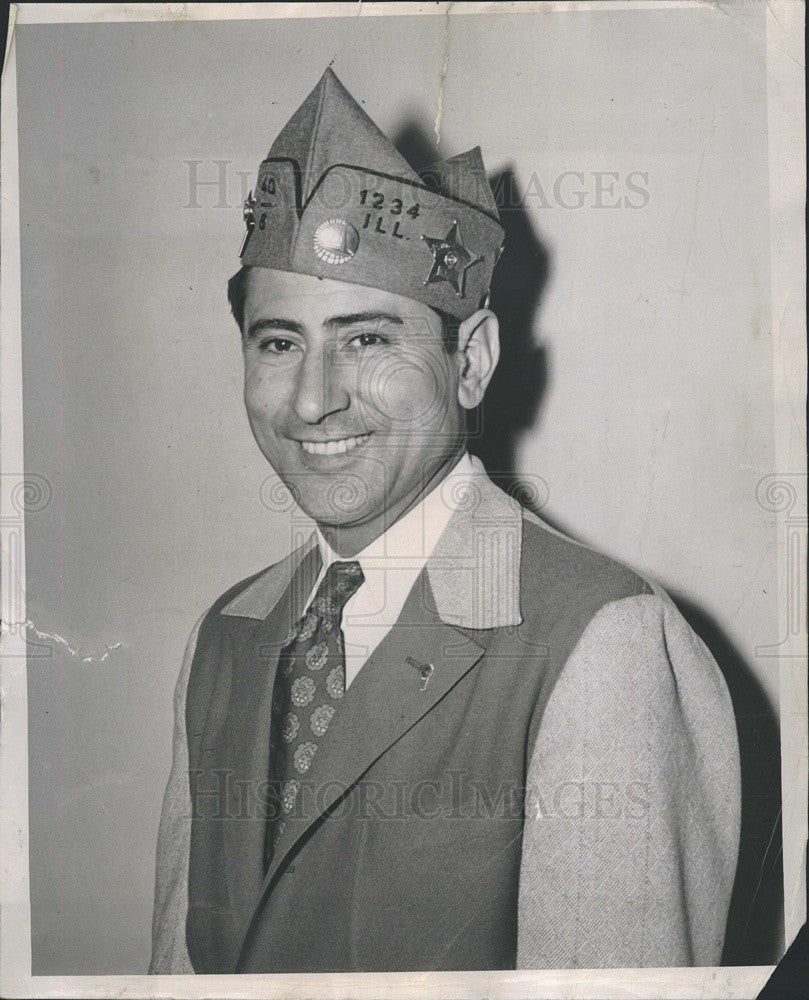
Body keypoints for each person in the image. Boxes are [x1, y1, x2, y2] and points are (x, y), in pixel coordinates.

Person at [150, 68, 740, 974]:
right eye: (279, 344)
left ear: (471, 362)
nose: (311, 401)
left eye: (367, 339)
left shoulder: (599, 639)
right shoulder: (224, 637)